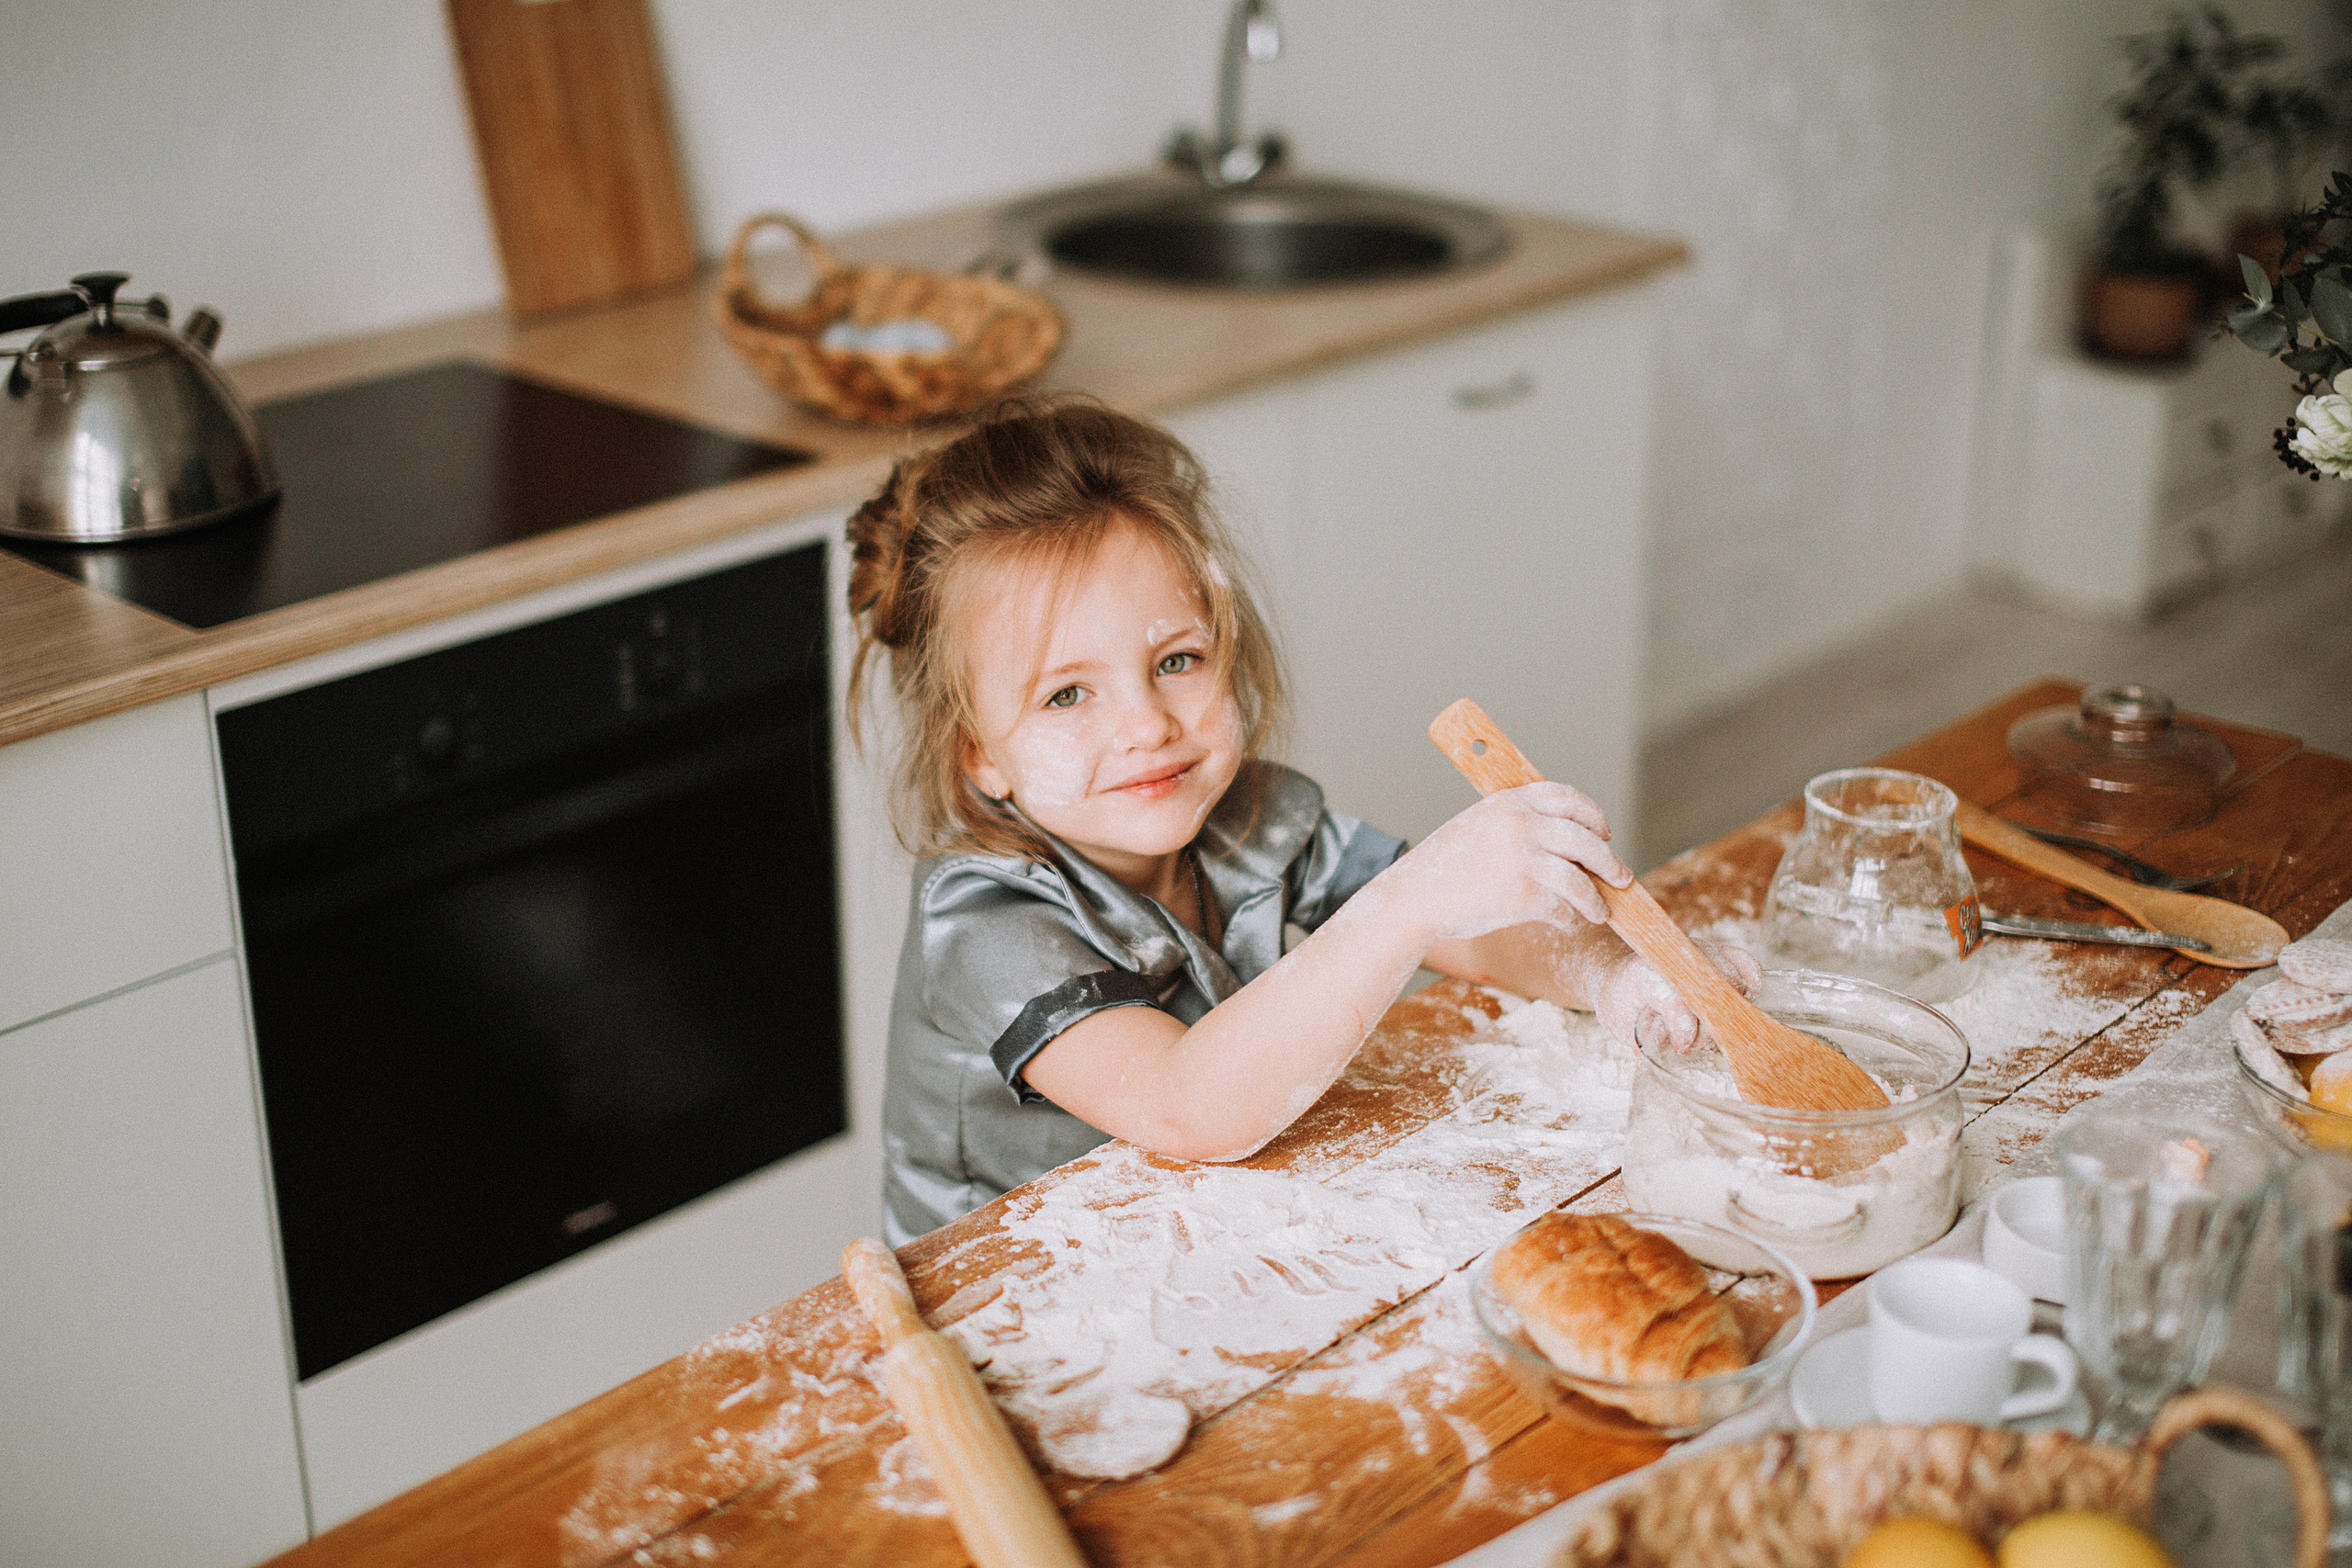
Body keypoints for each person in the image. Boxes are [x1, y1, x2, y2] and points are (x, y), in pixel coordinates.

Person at [847, 396, 1758, 1244]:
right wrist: (1411, 898)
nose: (1147, 725)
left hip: (1180, 1226)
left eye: (1176, 660)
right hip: (1008, 1288)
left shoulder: (1252, 817)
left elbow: (1472, 937)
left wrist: (1611, 972)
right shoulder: (983, 924)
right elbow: (1186, 1105)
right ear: (977, 755)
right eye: (1067, 694)